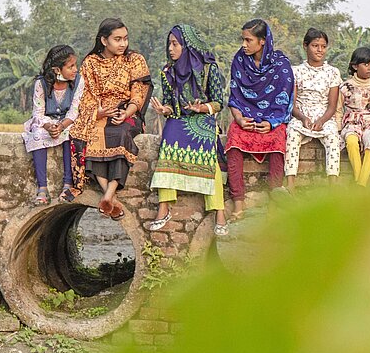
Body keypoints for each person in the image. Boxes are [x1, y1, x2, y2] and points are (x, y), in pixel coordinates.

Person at [65, 18, 152, 219]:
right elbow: (85, 95)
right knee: (87, 134)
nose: (123, 44)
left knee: (120, 134)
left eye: (125, 39)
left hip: (126, 111)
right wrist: (99, 112)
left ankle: (108, 195)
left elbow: (139, 91)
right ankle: (110, 198)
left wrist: (127, 112)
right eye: (117, 39)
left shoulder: (135, 60)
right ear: (104, 41)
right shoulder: (91, 63)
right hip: (99, 111)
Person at [148, 25, 228, 236]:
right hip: (179, 119)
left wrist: (201, 108)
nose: (171, 49)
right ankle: (164, 207)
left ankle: (219, 211)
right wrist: (163, 109)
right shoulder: (168, 71)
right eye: (169, 44)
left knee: (210, 156)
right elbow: (170, 104)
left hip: (203, 119)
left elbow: (219, 102)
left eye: (175, 44)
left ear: (188, 46)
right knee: (169, 140)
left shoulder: (209, 69)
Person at [226, 19, 294, 220]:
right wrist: (238, 119)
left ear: (262, 41)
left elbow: (285, 100)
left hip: (271, 119)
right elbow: (234, 96)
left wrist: (272, 122)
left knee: (278, 140)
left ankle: (275, 201)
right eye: (243, 40)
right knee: (233, 141)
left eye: (248, 40)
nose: (244, 45)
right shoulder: (239, 60)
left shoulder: (281, 65)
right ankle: (239, 203)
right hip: (245, 117)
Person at [22, 45, 84, 205]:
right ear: (57, 69)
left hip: (68, 122)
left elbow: (75, 110)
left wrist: (61, 126)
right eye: (70, 67)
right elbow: (38, 112)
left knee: (73, 133)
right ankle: (42, 188)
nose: (75, 70)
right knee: (36, 134)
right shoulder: (41, 84)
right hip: (47, 122)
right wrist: (48, 126)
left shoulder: (78, 82)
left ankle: (67, 184)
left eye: (75, 65)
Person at [285, 28, 342, 189]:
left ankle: (333, 185)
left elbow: (332, 106)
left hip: (324, 116)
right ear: (305, 46)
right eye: (315, 45)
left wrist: (322, 121)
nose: (319, 50)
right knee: (292, 134)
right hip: (301, 115)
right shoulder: (296, 71)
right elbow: (292, 104)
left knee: (333, 138)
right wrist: (303, 118)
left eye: (323, 46)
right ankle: (290, 184)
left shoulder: (332, 72)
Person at [337, 47, 370, 187]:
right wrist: (338, 128)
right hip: (351, 123)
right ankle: (358, 179)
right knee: (351, 141)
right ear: (355, 66)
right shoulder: (345, 86)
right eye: (366, 64)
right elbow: (338, 110)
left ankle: (360, 184)